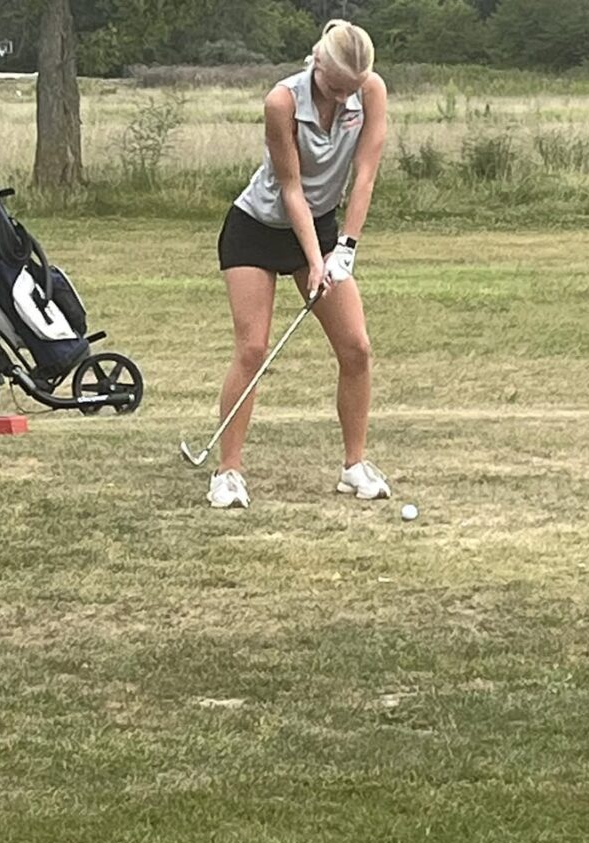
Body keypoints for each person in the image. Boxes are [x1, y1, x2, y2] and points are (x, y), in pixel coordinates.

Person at [208, 19, 391, 509]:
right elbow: (291, 189)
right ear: (317, 61)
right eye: (335, 87)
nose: (343, 97)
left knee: (356, 347)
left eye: (352, 88)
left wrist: (344, 249)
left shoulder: (371, 91)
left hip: (324, 226)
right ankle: (228, 472)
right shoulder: (281, 102)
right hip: (257, 228)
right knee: (253, 349)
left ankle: (354, 465)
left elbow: (365, 176)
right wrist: (315, 261)